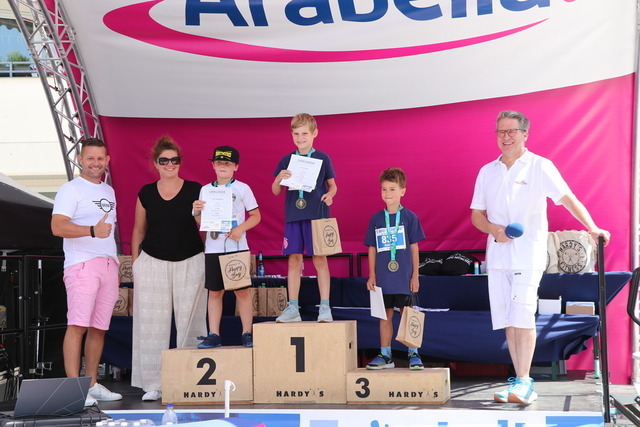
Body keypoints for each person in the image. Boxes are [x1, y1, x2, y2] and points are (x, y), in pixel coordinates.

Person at [470, 110, 611, 405]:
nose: (506, 137)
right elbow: (476, 215)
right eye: (501, 132)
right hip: (498, 257)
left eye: (512, 131)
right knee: (509, 319)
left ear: (525, 135)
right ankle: (518, 380)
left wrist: (593, 228)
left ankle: (525, 381)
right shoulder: (487, 171)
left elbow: (567, 198)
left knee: (523, 316)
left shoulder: (539, 166)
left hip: (528, 255)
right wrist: (494, 229)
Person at [130, 136, 207, 402]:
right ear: (156, 164)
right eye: (164, 160)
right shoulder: (146, 193)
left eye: (174, 160)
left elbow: (206, 226)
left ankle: (191, 381)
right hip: (152, 263)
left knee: (193, 323)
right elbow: (138, 230)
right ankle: (153, 384)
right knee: (151, 326)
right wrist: (136, 264)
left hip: (191, 261)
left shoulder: (196, 189)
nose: (170, 164)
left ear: (180, 162)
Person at [51, 138, 123, 406]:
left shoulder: (109, 190)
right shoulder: (70, 189)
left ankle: (91, 383)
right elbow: (57, 226)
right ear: (80, 159)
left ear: (107, 161)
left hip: (108, 264)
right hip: (82, 264)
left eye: (100, 158)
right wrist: (92, 230)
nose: (95, 163)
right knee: (78, 325)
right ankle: (74, 390)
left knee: (99, 328)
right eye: (90, 158)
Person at [192, 146, 261, 349]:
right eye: (219, 162)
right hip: (213, 247)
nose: (223, 166)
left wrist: (241, 228)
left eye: (227, 163)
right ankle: (214, 334)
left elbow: (256, 216)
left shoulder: (243, 188)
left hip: (236, 246)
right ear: (213, 165)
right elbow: (201, 222)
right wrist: (195, 212)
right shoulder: (205, 189)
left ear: (235, 167)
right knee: (215, 292)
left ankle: (247, 333)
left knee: (242, 292)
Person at [272, 113, 337, 323]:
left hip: (317, 215)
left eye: (304, 134)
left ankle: (325, 307)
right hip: (294, 215)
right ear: (292, 134)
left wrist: (330, 195)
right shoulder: (287, 160)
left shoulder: (323, 158)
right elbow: (275, 190)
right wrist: (279, 178)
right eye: (296, 134)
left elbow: (333, 185)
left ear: (314, 133)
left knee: (320, 259)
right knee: (294, 260)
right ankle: (293, 308)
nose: (300, 138)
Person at [364, 168, 426, 371]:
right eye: (384, 189)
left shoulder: (410, 217)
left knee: (408, 314)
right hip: (383, 279)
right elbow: (372, 248)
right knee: (385, 316)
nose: (387, 193)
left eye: (392, 189)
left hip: (404, 278)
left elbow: (414, 247)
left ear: (402, 191)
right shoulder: (376, 219)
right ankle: (386, 355)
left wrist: (415, 275)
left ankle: (413, 353)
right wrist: (372, 275)